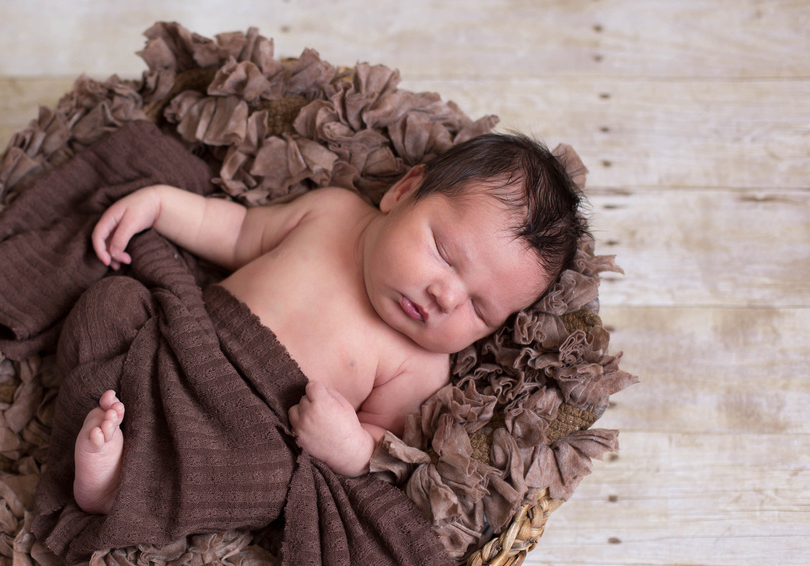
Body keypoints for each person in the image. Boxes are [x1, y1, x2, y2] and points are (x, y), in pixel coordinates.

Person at [72, 132, 587, 514]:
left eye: (480, 309)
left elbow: (385, 449)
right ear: (403, 192)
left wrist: (348, 446)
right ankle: (105, 433)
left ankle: (116, 487)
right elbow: (235, 231)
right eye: (444, 254)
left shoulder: (422, 366)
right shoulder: (333, 213)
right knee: (108, 306)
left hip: (243, 428)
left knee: (269, 481)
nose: (446, 296)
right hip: (181, 345)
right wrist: (161, 204)